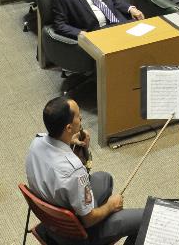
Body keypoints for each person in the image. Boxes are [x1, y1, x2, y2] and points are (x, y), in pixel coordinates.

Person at [26, 97, 144, 244]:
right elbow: (88, 220)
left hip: (53, 222)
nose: (81, 117)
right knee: (147, 219)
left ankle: (100, 215)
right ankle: (102, 228)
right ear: (68, 128)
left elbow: (57, 164)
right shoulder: (74, 170)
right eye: (77, 115)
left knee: (105, 178)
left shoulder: (36, 143)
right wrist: (111, 206)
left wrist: (69, 141)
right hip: (79, 235)